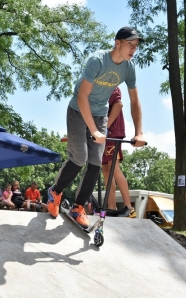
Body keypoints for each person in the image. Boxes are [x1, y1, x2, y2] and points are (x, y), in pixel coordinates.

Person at [47, 26, 146, 228]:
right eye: (130, 44)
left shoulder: (129, 67)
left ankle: (78, 207)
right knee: (79, 158)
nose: (133, 49)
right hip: (77, 110)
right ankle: (55, 191)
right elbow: (82, 96)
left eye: (136, 46)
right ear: (117, 42)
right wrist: (93, 130)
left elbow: (134, 101)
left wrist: (139, 132)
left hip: (100, 114)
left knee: (95, 162)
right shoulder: (97, 60)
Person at [102, 87, 136, 218]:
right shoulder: (97, 86)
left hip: (112, 132)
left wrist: (106, 127)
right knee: (105, 169)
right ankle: (112, 207)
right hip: (103, 134)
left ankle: (129, 207)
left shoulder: (111, 85)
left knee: (114, 168)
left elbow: (118, 105)